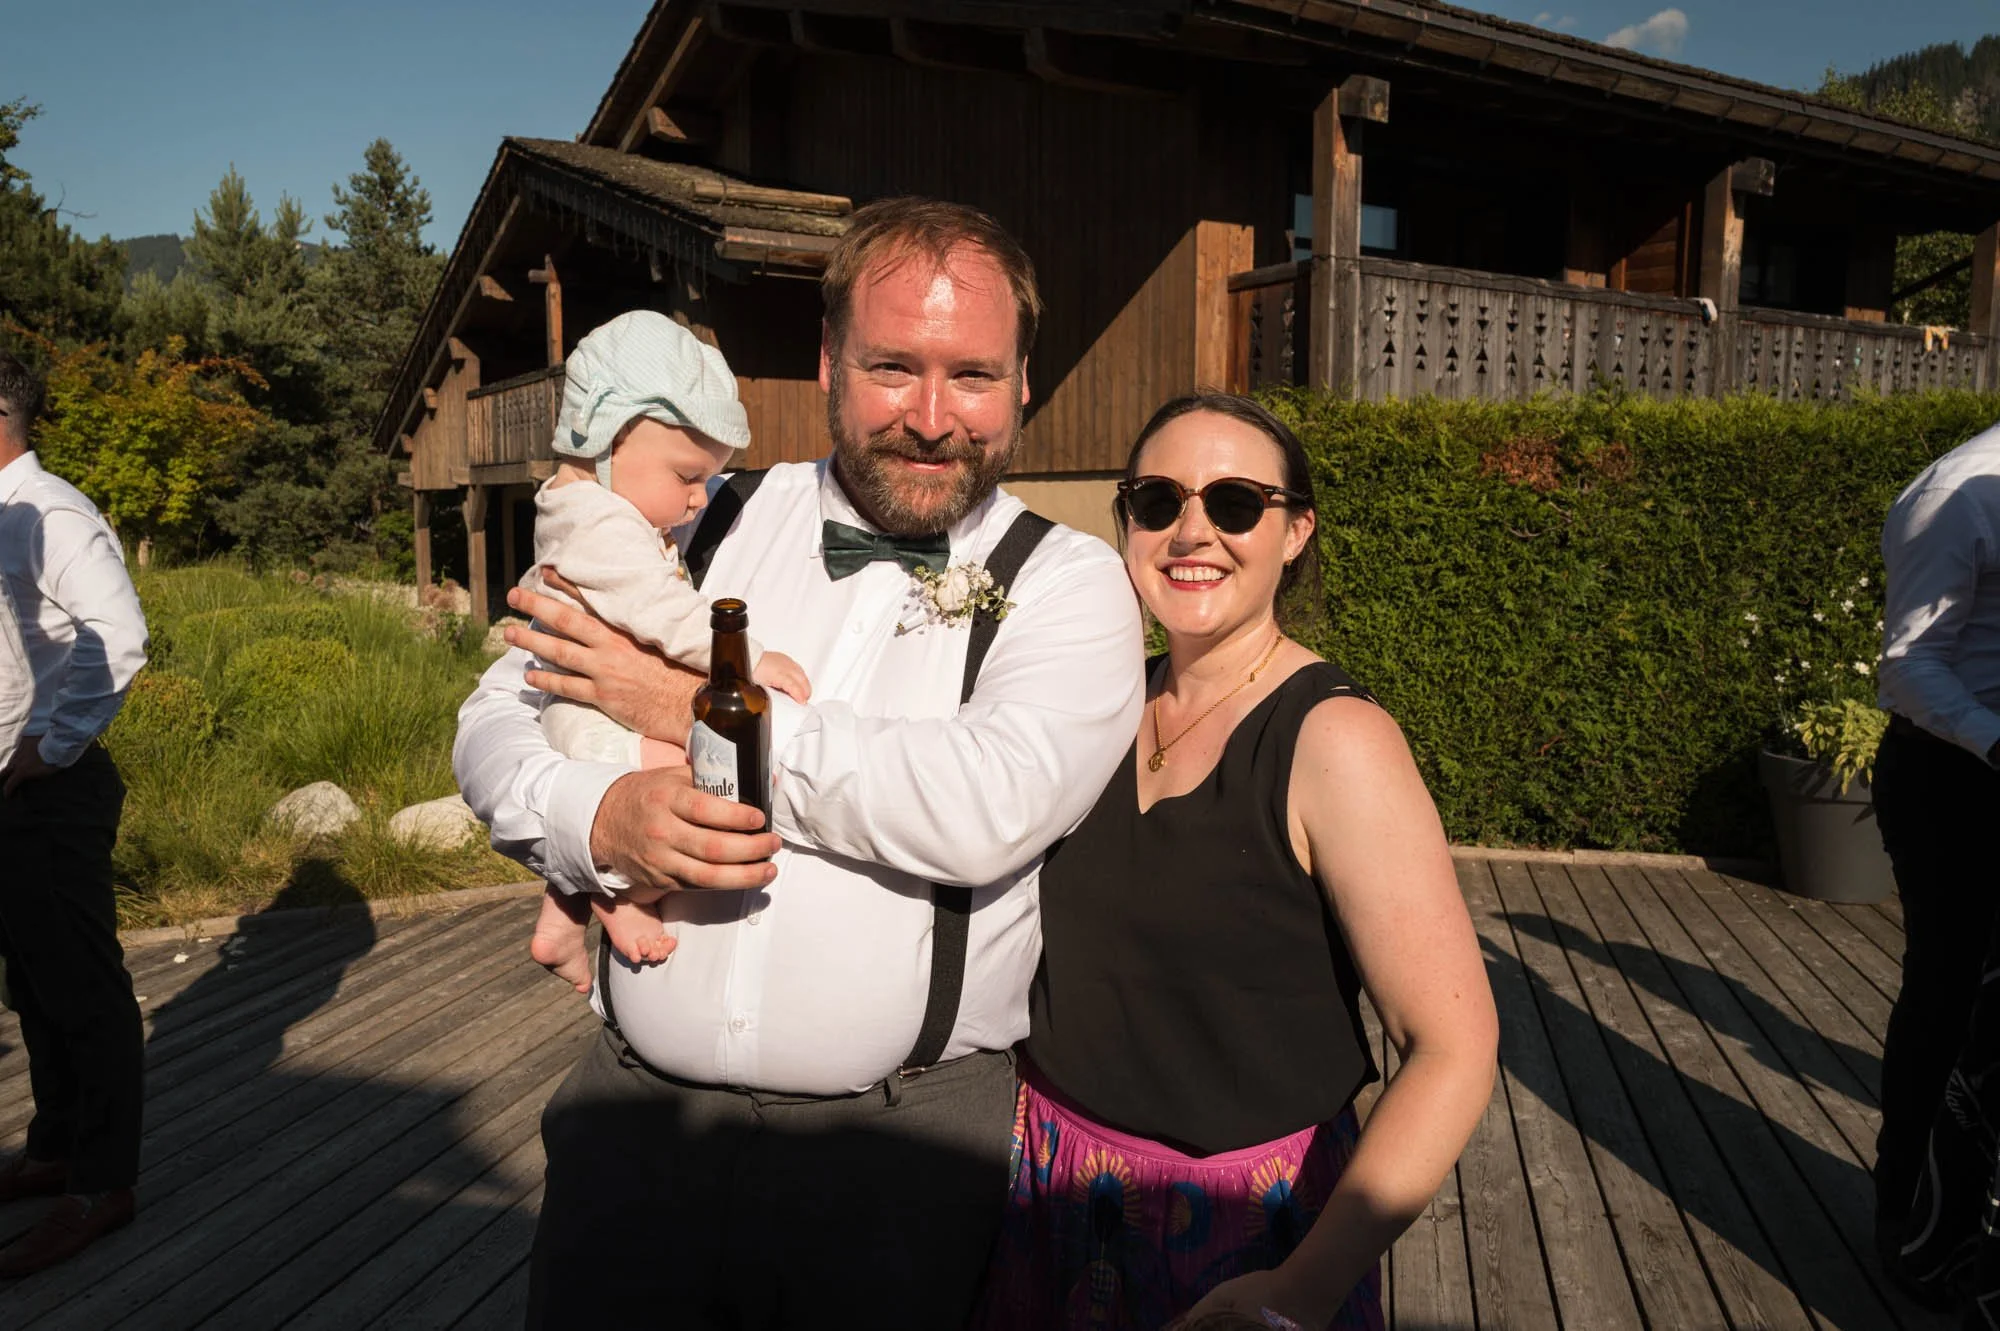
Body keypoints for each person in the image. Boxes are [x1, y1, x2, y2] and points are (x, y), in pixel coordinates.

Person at [452, 197, 1145, 1326]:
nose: (930, 416)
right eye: (890, 368)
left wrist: (683, 707)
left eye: (970, 374)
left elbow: (982, 805)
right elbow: (498, 710)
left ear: (1022, 381)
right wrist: (592, 819)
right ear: (828, 364)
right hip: (632, 1127)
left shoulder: (1067, 581)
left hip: (900, 1157)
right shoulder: (698, 518)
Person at [976, 395, 1498, 1331]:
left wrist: (1299, 1290)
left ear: (1295, 530)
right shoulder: (1096, 702)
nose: (1192, 531)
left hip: (1248, 1233)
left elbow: (1455, 1048)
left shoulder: (1336, 740)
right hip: (1052, 1197)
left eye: (1234, 503)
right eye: (1159, 500)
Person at [518, 309, 810, 993]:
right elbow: (663, 612)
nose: (697, 496)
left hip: (578, 700)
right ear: (612, 435)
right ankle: (618, 900)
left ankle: (559, 923)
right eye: (686, 473)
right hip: (587, 716)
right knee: (677, 779)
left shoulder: (594, 508)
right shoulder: (598, 522)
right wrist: (747, 656)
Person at [0, 349, 150, 1277]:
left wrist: (47, 749)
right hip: (18, 786)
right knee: (34, 977)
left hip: (51, 789)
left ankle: (103, 1181)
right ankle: (57, 1147)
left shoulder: (48, 510)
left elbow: (119, 635)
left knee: (84, 989)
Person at [1873, 421, 2000, 1300]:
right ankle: (1903, 1212)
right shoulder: (1959, 493)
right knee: (1947, 994)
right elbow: (1908, 668)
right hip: (1952, 780)